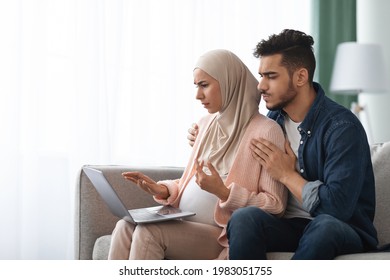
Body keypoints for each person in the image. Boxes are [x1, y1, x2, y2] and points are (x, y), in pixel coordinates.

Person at [107, 49, 287, 260]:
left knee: (149, 232)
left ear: (229, 82)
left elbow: (275, 205)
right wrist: (164, 189)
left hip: (220, 235)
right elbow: (194, 181)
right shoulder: (206, 124)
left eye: (204, 85)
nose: (198, 95)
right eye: (196, 86)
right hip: (183, 221)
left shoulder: (267, 131)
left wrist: (225, 193)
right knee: (124, 226)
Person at [226, 29, 378, 259]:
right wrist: (208, 136)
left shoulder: (342, 128)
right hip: (290, 225)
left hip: (342, 228)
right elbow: (241, 165)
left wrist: (287, 174)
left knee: (324, 226)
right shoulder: (271, 122)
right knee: (244, 218)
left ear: (300, 77)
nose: (261, 86)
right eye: (261, 76)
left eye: (271, 76)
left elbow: (337, 209)